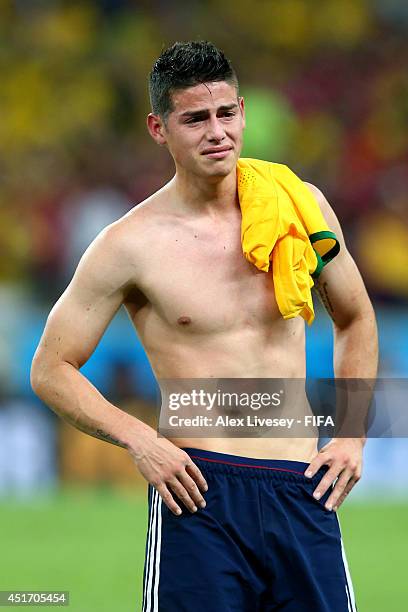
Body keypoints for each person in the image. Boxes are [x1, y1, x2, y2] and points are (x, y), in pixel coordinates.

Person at [31, 41, 378, 611]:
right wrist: (142, 440)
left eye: (225, 114)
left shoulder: (299, 204)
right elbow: (50, 368)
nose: (216, 132)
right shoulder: (129, 244)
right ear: (158, 128)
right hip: (198, 493)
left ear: (242, 111)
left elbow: (356, 316)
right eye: (194, 118)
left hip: (303, 486)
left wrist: (352, 434)